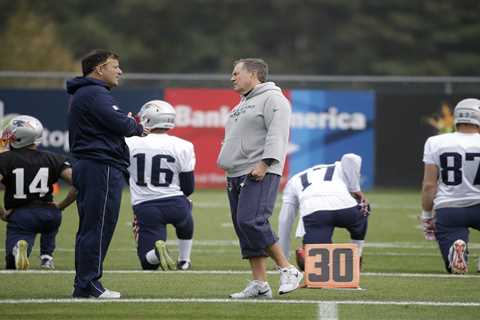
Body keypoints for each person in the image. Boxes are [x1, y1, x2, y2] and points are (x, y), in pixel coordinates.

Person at [217, 58, 302, 299]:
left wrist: (265, 163)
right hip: (235, 173)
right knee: (244, 229)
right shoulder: (241, 104)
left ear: (253, 74)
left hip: (258, 170)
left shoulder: (274, 98)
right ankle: (259, 284)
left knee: (251, 221)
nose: (232, 77)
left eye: (236, 73)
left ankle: (288, 269)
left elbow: (278, 134)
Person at [67, 49, 148, 299]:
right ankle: (89, 283)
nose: (120, 71)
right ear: (99, 69)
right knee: (98, 227)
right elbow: (120, 123)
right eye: (115, 66)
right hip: (99, 166)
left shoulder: (87, 93)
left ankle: (84, 284)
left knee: (92, 226)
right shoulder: (94, 92)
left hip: (93, 165)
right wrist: (136, 125)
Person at [126, 100, 195, 271]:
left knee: (147, 263)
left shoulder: (129, 142)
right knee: (186, 214)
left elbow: (123, 174)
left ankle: (156, 254)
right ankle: (184, 260)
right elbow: (188, 187)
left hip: (146, 206)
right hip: (176, 204)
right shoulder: (184, 145)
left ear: (148, 119)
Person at [0, 115, 76, 270]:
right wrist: (61, 206)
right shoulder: (54, 158)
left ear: (20, 138)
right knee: (50, 226)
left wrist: (1, 212)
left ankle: (17, 252)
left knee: (13, 262)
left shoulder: (5, 159)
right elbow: (79, 184)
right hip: (50, 213)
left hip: (22, 215)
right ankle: (47, 257)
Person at [277, 153, 370, 271]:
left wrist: (282, 258)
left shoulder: (293, 180)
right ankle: (357, 253)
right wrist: (355, 189)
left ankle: (307, 253)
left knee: (314, 266)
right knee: (364, 206)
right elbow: (352, 158)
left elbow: (285, 220)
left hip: (315, 213)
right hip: (347, 209)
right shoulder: (338, 167)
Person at [421, 98, 480, 274]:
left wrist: (427, 216)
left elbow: (429, 185)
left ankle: (455, 250)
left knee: (452, 263)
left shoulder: (435, 142)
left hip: (449, 209)